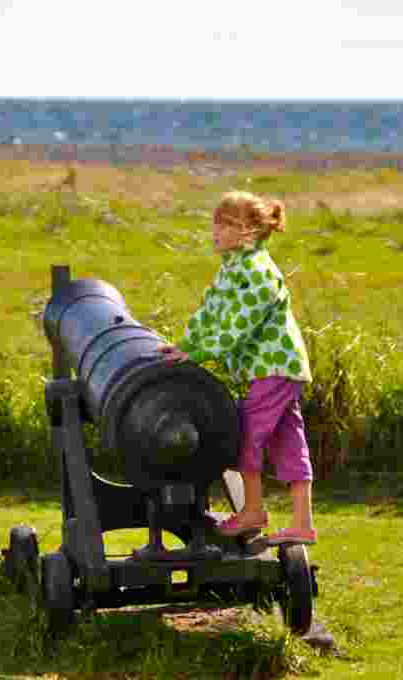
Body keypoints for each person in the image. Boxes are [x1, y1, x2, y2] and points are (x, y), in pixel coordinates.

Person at [157, 191, 317, 545]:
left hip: (274, 368)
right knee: (289, 442)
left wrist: (199, 353)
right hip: (275, 370)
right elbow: (210, 313)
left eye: (225, 224)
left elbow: (238, 327)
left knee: (244, 437)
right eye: (215, 223)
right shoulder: (232, 268)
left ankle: (253, 511)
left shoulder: (257, 272)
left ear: (248, 232)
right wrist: (186, 345)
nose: (215, 231)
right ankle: (302, 524)